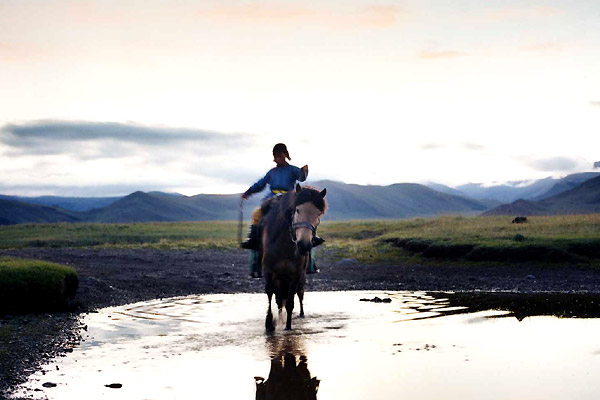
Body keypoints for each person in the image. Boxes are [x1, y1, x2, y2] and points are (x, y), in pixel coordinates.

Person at [241, 143, 324, 277]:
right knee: (256, 214)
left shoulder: (291, 170)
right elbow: (261, 184)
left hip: (288, 198)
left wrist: (304, 171)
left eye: (279, 156)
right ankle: (253, 239)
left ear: (285, 155)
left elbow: (301, 177)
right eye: (275, 157)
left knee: (303, 215)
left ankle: (311, 241)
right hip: (272, 198)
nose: (277, 159)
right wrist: (248, 192)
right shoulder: (272, 172)